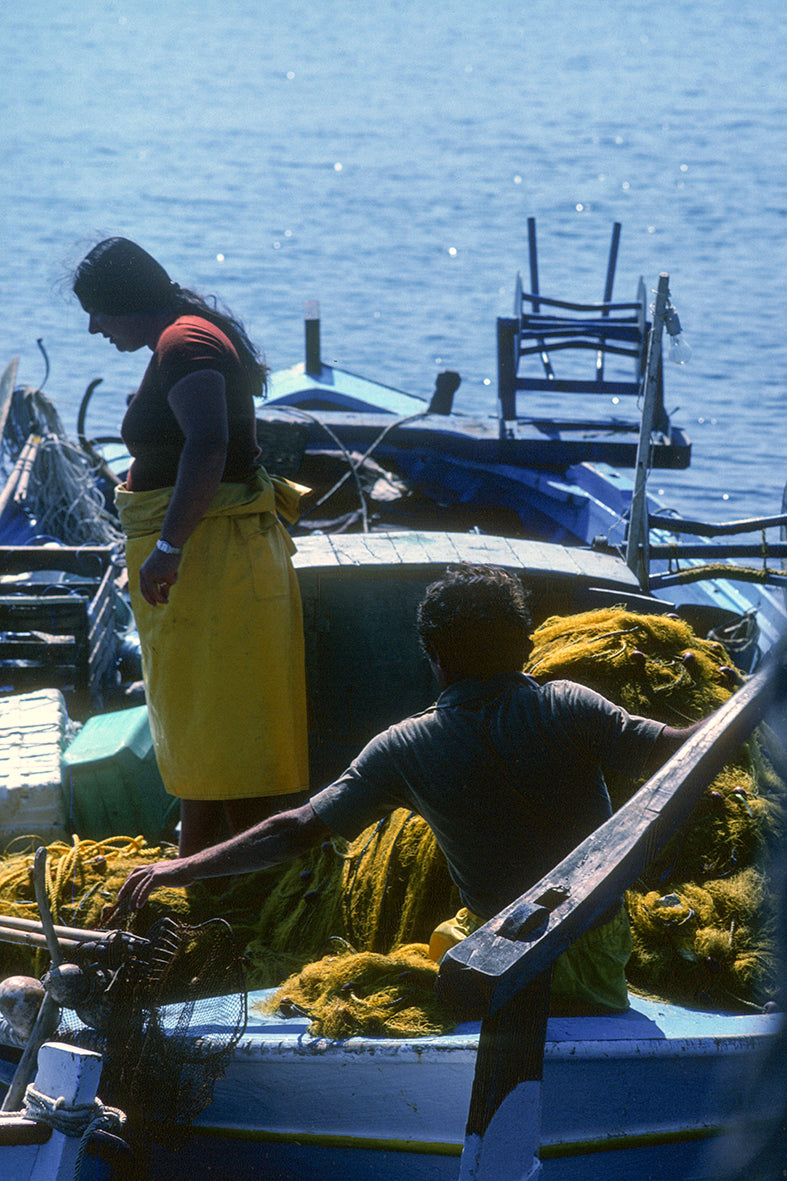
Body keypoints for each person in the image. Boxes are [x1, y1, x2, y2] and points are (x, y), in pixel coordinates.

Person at [116, 564, 704, 1008]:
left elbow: (294, 830)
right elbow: (680, 750)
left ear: (435, 658)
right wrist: (743, 707)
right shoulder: (569, 705)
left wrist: (181, 868)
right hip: (592, 955)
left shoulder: (403, 746)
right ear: (525, 646)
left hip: (496, 956)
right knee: (456, 935)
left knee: (445, 938)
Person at [73, 237, 310, 856]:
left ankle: (254, 878)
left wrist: (169, 546)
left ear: (125, 299)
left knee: (228, 734)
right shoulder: (179, 339)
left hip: (213, 561)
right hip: (208, 561)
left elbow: (209, 443)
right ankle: (196, 866)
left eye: (98, 311)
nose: (94, 328)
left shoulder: (185, 343)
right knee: (201, 724)